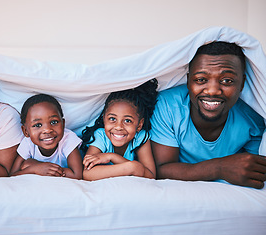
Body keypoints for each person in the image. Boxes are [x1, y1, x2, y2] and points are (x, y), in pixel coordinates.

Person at [150, 41, 266, 189]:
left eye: (227, 81)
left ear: (242, 84)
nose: (212, 91)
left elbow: (255, 172)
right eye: (201, 80)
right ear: (188, 80)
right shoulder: (168, 105)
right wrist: (219, 168)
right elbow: (162, 169)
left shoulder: (254, 118)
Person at [81, 79, 158, 181]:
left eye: (127, 120)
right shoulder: (100, 135)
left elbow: (151, 175)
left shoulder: (141, 137)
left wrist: (112, 157)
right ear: (104, 119)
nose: (118, 127)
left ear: (139, 125)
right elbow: (87, 174)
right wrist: (132, 168)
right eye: (112, 119)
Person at [10, 94, 83, 179]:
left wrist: (42, 168)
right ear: (26, 131)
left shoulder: (68, 139)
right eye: (37, 125)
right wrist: (36, 169)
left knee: (27, 164)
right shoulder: (28, 143)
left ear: (63, 124)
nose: (47, 129)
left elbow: (77, 175)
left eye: (54, 122)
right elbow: (12, 175)